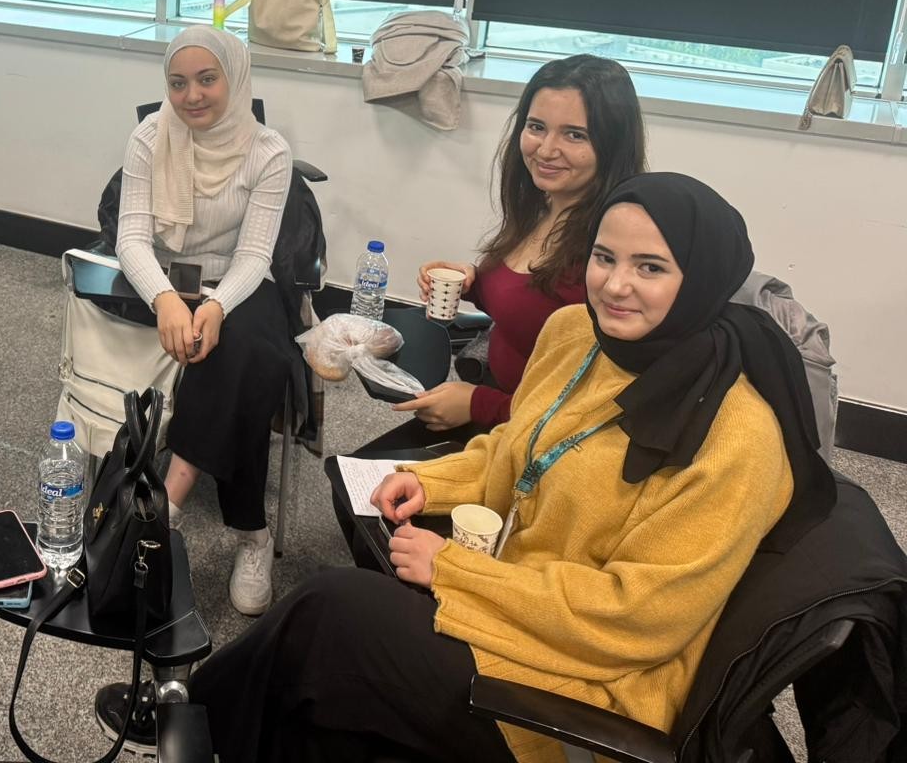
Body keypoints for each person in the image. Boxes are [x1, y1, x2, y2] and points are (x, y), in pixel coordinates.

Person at [187, 173, 836, 763]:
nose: (615, 285)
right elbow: (516, 447)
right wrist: (433, 482)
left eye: (650, 267)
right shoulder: (577, 333)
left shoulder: (736, 437)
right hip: (519, 608)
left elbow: (636, 621)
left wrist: (453, 571)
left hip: (586, 685)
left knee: (331, 615)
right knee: (320, 705)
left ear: (702, 279)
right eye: (604, 258)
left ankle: (185, 727)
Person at [116, 25, 297, 615]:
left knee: (249, 349)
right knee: (240, 363)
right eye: (177, 83)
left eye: (206, 79)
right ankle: (252, 531)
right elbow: (131, 239)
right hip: (163, 276)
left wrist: (216, 306)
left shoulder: (269, 151)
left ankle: (170, 499)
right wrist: (166, 299)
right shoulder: (150, 137)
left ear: (234, 79)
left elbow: (255, 256)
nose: (191, 95)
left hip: (237, 282)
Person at [392, 54, 645, 446]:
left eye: (574, 135)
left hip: (537, 436)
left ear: (612, 144)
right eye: (537, 127)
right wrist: (472, 282)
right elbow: (530, 304)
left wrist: (481, 405)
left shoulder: (610, 252)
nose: (546, 150)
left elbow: (592, 408)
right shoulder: (545, 206)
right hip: (502, 406)